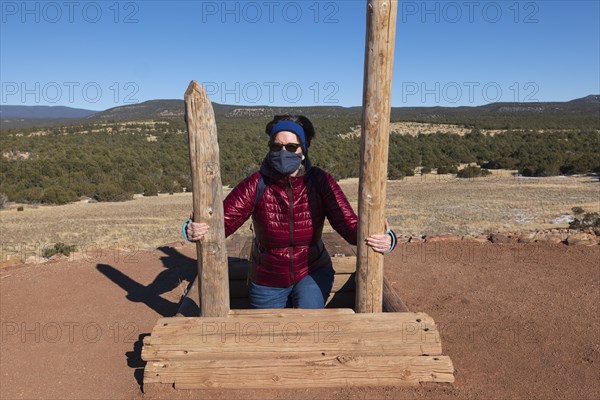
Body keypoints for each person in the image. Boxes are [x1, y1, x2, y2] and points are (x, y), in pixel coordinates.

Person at [184, 115, 397, 309]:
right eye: (276, 147)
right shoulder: (256, 184)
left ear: (303, 152)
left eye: (291, 147)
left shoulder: (320, 182)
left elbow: (349, 226)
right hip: (268, 276)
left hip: (312, 271)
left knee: (308, 325)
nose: (283, 152)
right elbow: (221, 224)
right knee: (269, 335)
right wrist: (192, 229)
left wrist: (387, 239)